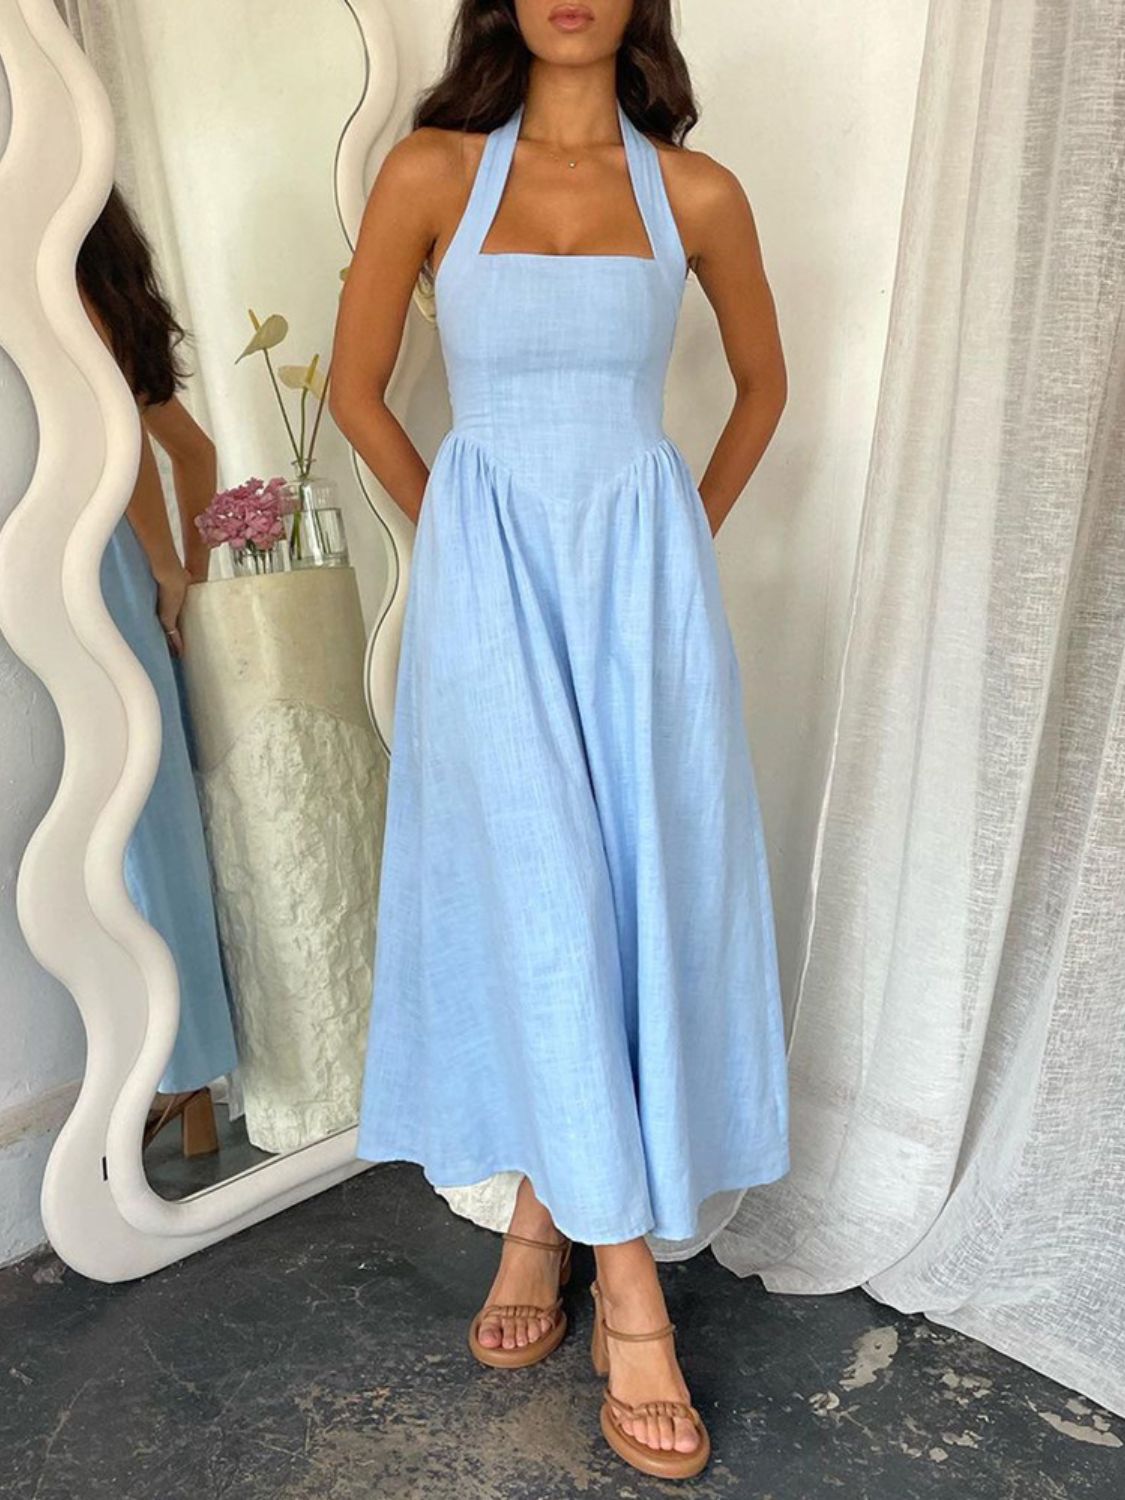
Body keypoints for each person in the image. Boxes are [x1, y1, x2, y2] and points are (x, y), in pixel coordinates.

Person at [330, 1, 789, 1479]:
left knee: (624, 896)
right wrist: (457, 539)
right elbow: (354, 391)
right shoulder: (434, 172)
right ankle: (632, 1295)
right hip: (492, 600)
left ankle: (543, 1217)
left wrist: (680, 536)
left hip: (642, 607)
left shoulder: (698, 194)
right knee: (540, 894)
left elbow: (765, 385)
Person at [78, 186, 239, 1155]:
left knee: (135, 828)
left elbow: (130, 446)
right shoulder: (98, 294)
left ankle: (177, 1070)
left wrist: (173, 570)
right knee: (152, 823)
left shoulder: (65, 298)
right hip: (116, 572)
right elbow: (195, 452)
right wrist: (187, 578)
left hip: (97, 568)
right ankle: (190, 1080)